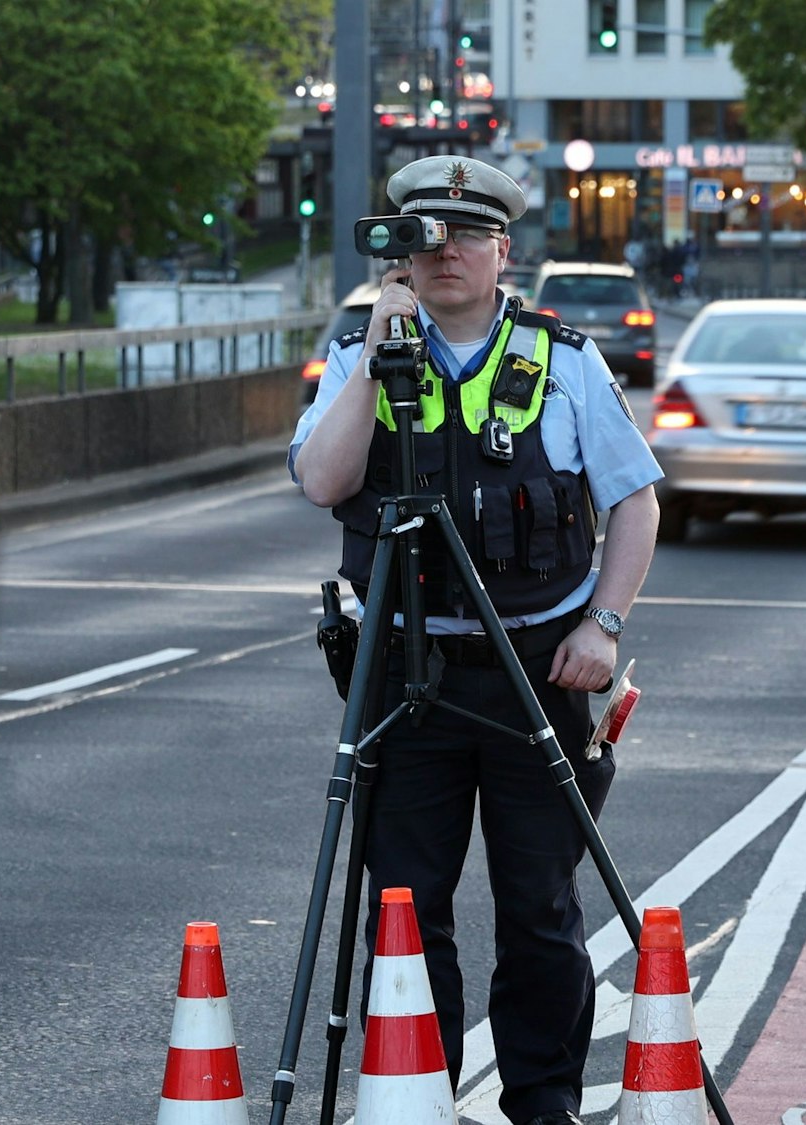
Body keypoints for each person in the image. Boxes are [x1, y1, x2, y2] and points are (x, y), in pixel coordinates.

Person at [289, 154, 663, 1125]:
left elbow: (633, 499)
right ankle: (415, 1098)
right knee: (406, 912)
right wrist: (375, 364)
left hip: (533, 668)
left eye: (465, 234)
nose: (442, 251)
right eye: (421, 233)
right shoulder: (360, 350)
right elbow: (323, 483)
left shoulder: (562, 358)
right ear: (397, 251)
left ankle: (541, 1105)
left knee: (538, 905)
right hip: (403, 670)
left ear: (502, 249)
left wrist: (602, 625)